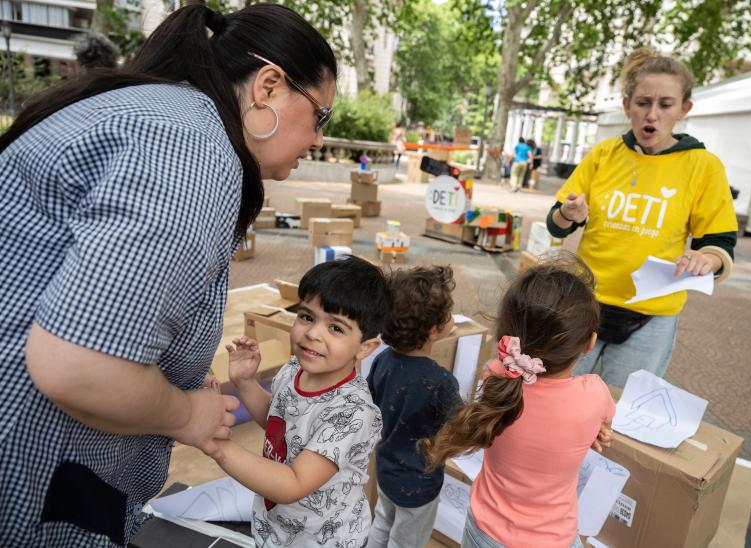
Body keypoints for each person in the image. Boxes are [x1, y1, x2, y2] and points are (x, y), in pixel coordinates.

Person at [0, 4, 336, 545]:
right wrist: (185, 413)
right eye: (320, 116)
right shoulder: (193, 149)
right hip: (28, 472)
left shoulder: (164, 117)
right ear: (269, 86)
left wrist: (165, 374)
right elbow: (79, 366)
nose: (318, 139)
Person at [546, 48, 738, 388]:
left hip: (652, 315)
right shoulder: (604, 154)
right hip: (585, 304)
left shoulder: (704, 166)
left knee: (620, 414)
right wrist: (566, 213)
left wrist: (705, 259)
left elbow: (719, 244)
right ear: (626, 106)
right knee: (559, 396)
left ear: (684, 109)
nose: (652, 114)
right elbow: (556, 222)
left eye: (665, 104)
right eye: (642, 102)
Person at [420, 254, 614, 548]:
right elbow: (599, 421)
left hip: (483, 529)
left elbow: (499, 370)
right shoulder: (595, 395)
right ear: (589, 343)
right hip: (552, 539)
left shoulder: (497, 377)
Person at [216, 256, 390, 547]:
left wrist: (217, 446)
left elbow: (293, 483)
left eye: (335, 328)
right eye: (307, 317)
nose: (312, 334)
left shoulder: (353, 413)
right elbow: (278, 423)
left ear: (365, 348)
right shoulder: (294, 368)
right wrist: (246, 383)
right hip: (275, 527)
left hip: (322, 540)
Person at [366, 266, 462, 548]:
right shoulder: (441, 382)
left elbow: (371, 401)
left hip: (385, 468)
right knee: (406, 541)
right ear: (434, 331)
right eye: (449, 315)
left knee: (382, 523)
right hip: (419, 483)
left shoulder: (382, 361)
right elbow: (459, 427)